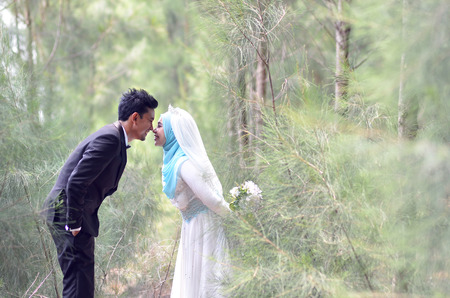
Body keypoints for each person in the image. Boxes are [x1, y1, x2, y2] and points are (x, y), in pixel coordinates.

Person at [42, 88, 158, 297]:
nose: (151, 127)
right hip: (68, 214)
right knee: (79, 286)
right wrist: (74, 224)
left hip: (69, 213)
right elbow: (76, 182)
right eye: (150, 120)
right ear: (134, 118)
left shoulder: (114, 138)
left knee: (80, 285)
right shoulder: (110, 139)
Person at [153, 106, 231, 297]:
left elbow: (212, 200)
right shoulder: (173, 161)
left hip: (205, 230)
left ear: (173, 131)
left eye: (160, 126)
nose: (154, 130)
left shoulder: (185, 164)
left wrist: (236, 218)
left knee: (205, 281)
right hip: (192, 229)